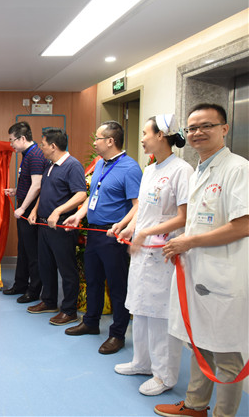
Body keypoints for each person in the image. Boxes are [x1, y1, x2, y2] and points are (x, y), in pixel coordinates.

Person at [155, 104, 248, 417]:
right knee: (200, 344)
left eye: (206, 126)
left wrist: (188, 241)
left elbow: (243, 225)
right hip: (199, 273)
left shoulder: (238, 169)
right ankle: (195, 405)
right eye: (192, 128)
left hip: (224, 276)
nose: (197, 133)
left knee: (227, 354)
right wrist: (184, 243)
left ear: (224, 129)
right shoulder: (199, 170)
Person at [114, 114, 193, 396]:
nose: (143, 139)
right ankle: (142, 362)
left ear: (161, 135)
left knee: (160, 314)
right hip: (142, 252)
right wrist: (130, 228)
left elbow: (184, 217)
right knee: (140, 308)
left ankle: (164, 375)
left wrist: (146, 232)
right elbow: (144, 210)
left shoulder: (181, 170)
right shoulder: (149, 170)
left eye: (146, 133)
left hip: (164, 255)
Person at [63, 121, 142, 355]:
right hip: (94, 232)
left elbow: (138, 205)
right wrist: (79, 216)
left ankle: (117, 333)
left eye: (97, 138)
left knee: (117, 285)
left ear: (110, 141)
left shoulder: (130, 168)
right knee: (93, 279)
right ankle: (91, 322)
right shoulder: (100, 164)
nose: (94, 142)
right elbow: (93, 195)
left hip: (114, 235)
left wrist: (123, 226)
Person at [26, 128, 86, 325]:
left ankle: (69, 310)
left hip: (62, 226)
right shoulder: (50, 166)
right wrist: (35, 210)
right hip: (44, 225)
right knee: (46, 266)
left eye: (43, 144)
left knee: (67, 269)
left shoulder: (72, 165)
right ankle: (49, 301)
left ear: (53, 146)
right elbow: (45, 190)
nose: (41, 148)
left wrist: (58, 211)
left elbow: (80, 194)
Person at [2, 121, 47, 304]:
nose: (11, 144)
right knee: (23, 249)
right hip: (24, 206)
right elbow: (29, 183)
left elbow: (37, 186)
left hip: (30, 210)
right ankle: (20, 285)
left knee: (32, 251)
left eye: (12, 140)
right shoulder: (27, 154)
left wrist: (22, 208)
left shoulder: (35, 155)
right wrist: (16, 191)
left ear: (22, 138)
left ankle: (34, 290)